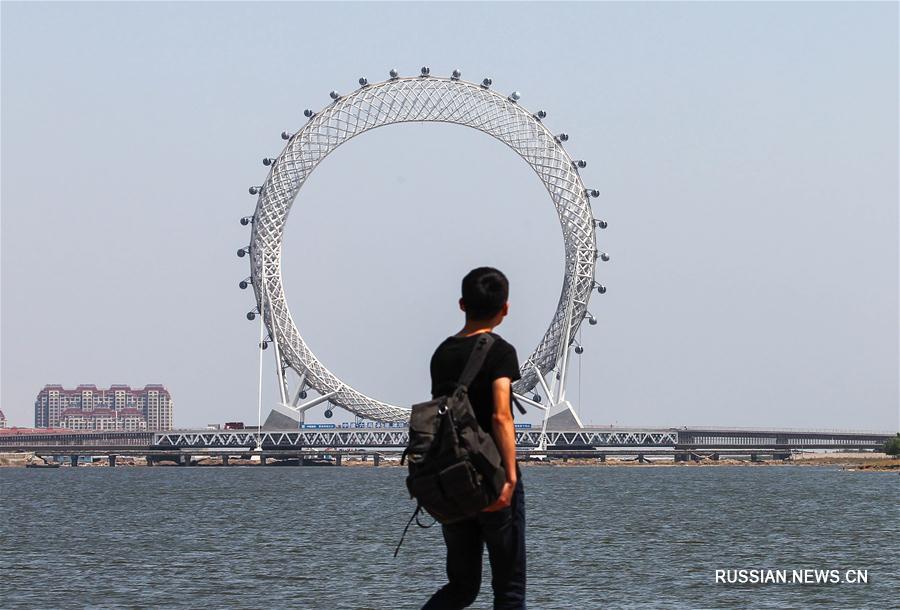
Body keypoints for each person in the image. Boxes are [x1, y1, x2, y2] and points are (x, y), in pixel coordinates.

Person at [422, 267, 526, 610]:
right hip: (493, 476)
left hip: (453, 479)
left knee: (462, 587)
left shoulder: (442, 353)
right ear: (505, 308)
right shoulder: (500, 352)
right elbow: (501, 415)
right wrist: (510, 478)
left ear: (462, 304)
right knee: (508, 590)